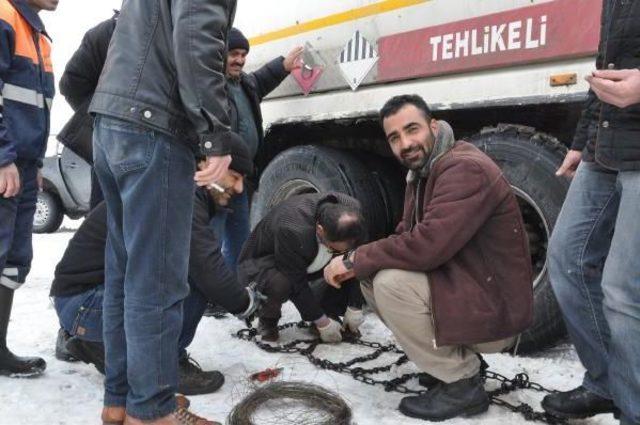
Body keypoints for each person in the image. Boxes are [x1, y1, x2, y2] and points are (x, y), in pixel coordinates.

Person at [324, 94, 533, 421]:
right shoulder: (423, 172)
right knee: (370, 276)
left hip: (496, 311)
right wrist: (359, 261)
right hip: (470, 291)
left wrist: (354, 258)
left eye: (412, 129)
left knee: (391, 283)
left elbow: (427, 246)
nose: (405, 143)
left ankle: (462, 382)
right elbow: (405, 234)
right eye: (394, 137)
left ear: (433, 126)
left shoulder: (464, 168)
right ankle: (453, 364)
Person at [88, 0, 242, 423]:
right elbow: (196, 35)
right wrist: (214, 131)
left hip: (114, 121)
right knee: (156, 280)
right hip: (153, 125)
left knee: (124, 275)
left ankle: (120, 401)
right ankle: (152, 412)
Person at [50, 142, 261, 396]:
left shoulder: (173, 181)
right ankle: (165, 363)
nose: (238, 188)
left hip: (81, 303)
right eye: (234, 177)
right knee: (194, 278)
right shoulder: (180, 195)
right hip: (86, 304)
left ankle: (97, 342)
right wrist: (246, 303)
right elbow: (208, 269)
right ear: (206, 164)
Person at [542, 1, 640, 423]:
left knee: (622, 291)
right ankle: (607, 383)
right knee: (566, 261)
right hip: (605, 145)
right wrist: (582, 141)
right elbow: (605, 68)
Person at [212, 28, 303, 270]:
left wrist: (284, 65)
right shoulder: (211, 87)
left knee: (240, 238)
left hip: (243, 175)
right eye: (233, 54)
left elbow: (262, 78)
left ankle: (234, 289)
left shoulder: (245, 84)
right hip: (219, 175)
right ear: (220, 54)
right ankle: (207, 294)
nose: (239, 60)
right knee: (213, 236)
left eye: (243, 54)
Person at [0, 0, 58, 377]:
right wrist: (3, 157)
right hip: (6, 162)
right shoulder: (4, 16)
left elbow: (34, 106)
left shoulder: (35, 31)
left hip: (22, 164)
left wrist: (33, 162)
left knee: (12, 261)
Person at [238, 192, 366, 343]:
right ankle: (268, 319)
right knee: (281, 283)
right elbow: (295, 280)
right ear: (320, 229)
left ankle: (329, 310)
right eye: (334, 247)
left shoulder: (354, 214)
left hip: (311, 255)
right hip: (268, 262)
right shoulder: (291, 227)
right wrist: (321, 322)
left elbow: (358, 257)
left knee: (342, 265)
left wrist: (355, 305)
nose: (338, 251)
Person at [57, 11, 118, 209]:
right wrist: (100, 119)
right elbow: (72, 84)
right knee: (107, 224)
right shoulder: (108, 32)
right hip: (112, 150)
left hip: (114, 149)